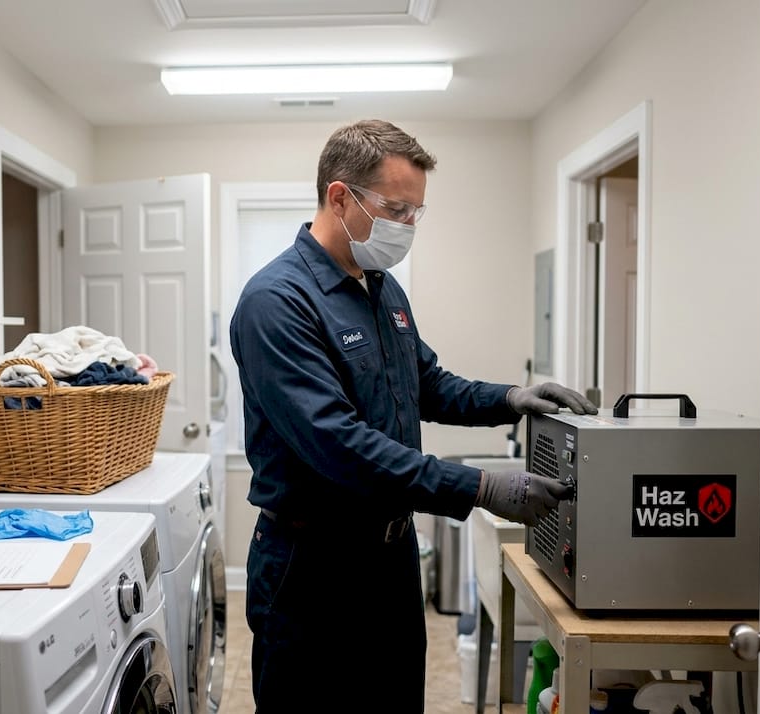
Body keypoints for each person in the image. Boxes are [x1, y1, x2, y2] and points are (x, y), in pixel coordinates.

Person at [228, 119, 597, 712]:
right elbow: (339, 445)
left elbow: (425, 383)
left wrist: (510, 398)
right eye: (395, 208)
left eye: (415, 213)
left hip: (392, 562)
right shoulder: (277, 301)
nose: (405, 226)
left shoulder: (381, 288)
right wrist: (478, 486)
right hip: (314, 569)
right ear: (339, 196)